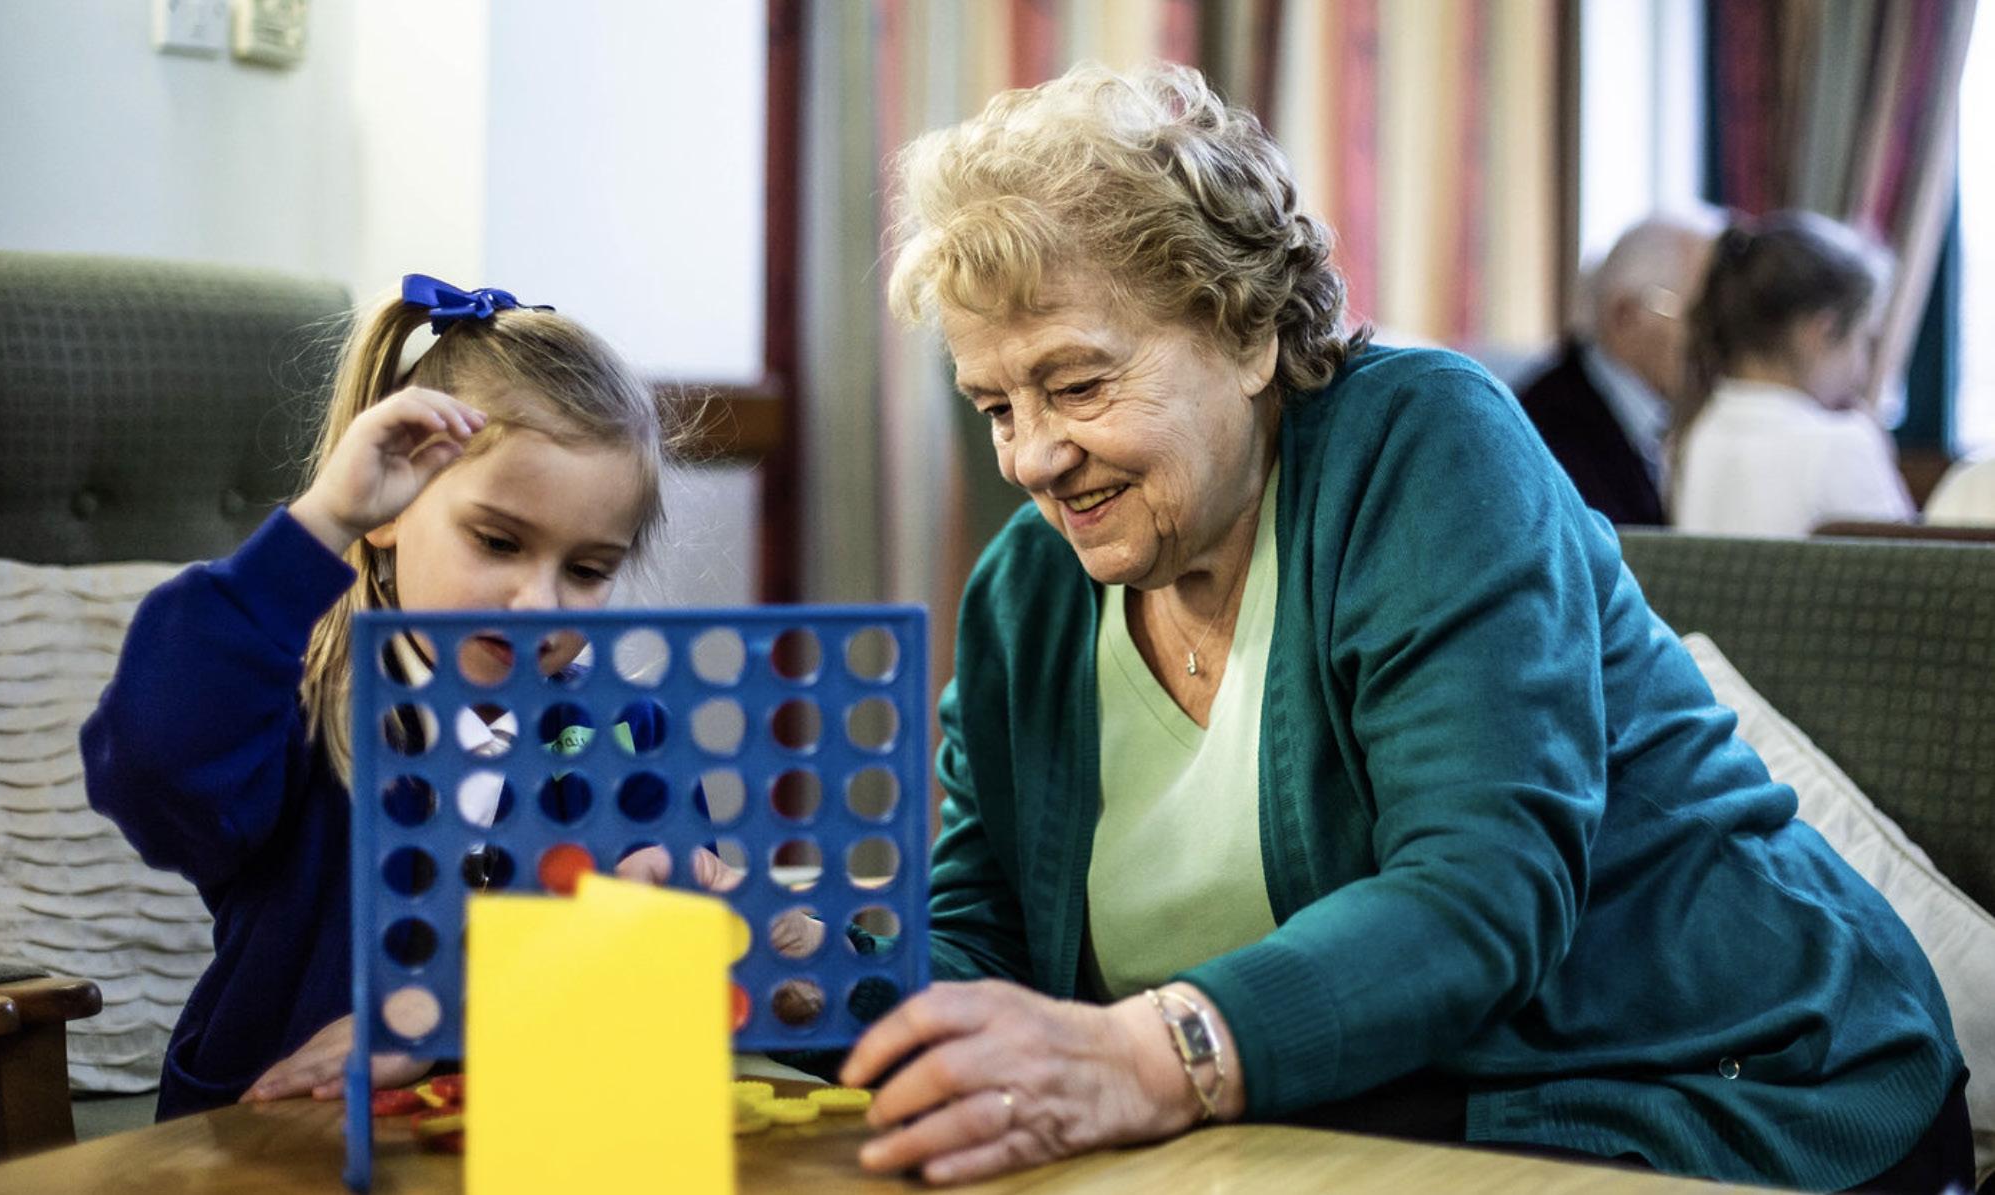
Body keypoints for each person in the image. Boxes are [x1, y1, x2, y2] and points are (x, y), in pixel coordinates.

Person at [836, 63, 1970, 1192]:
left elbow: (1478, 893)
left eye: (1079, 385)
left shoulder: (1425, 449)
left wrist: (1152, 1055)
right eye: (997, 406)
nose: (1033, 456)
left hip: (1720, 1085)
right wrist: (820, 972)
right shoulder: (1028, 591)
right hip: (1374, 1126)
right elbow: (985, 937)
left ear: (1247, 334)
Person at [81, 275, 668, 1118]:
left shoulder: (626, 730)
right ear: (390, 513)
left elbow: (653, 969)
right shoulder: (299, 712)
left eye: (586, 569)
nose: (538, 602)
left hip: (531, 1141)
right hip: (280, 1142)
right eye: (498, 542)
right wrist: (324, 521)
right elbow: (153, 761)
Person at [1670, 211, 1914, 536]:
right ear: (1821, 332)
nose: (1861, 371)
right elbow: (1914, 567)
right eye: (1864, 341)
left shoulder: (1697, 433)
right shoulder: (1842, 443)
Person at [1516, 211, 1722, 526]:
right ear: (1624, 315)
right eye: (1700, 315)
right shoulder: (1552, 428)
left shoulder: (1676, 416)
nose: (1714, 338)